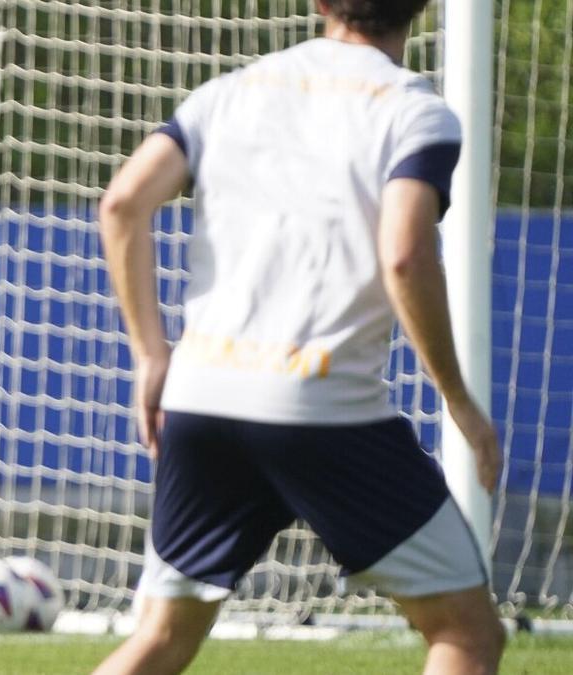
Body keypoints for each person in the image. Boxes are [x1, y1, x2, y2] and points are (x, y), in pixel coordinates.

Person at [92, 1, 505, 673]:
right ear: (423, 7)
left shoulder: (225, 94)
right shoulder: (415, 111)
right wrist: (457, 398)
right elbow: (404, 253)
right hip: (321, 407)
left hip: (205, 397)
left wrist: (150, 354)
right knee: (465, 632)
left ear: (317, 3)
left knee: (162, 637)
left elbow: (122, 203)